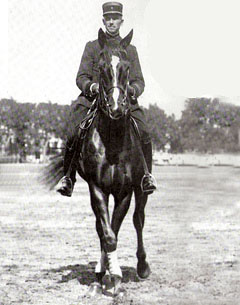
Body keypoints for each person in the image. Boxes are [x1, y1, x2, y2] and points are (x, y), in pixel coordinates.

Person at [57, 2, 157, 197]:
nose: (111, 22)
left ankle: (147, 175)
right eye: (108, 19)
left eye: (115, 18)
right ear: (104, 21)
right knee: (73, 130)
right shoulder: (92, 47)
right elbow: (81, 77)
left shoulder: (131, 50)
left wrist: (130, 90)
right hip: (93, 100)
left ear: (121, 21)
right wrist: (91, 86)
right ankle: (68, 177)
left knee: (144, 130)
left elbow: (139, 81)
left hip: (122, 100)